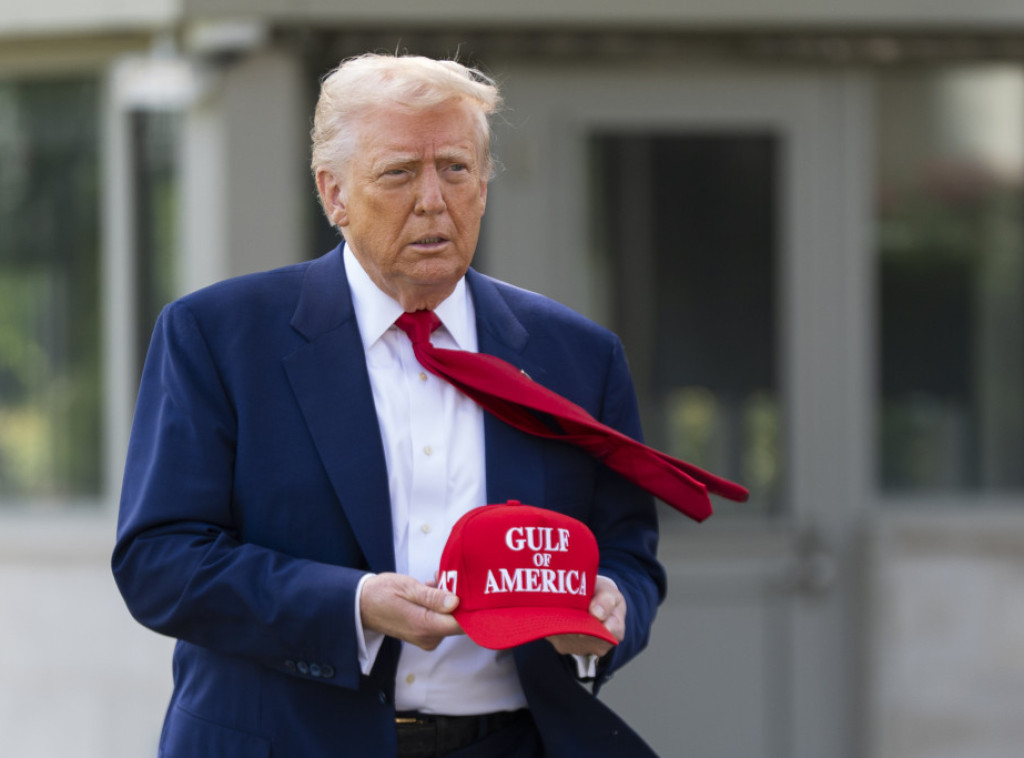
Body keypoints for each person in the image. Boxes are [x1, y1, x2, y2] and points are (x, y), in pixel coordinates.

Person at [112, 52, 666, 757]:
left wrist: (609, 610)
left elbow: (628, 554)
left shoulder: (577, 356)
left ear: (484, 186)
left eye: (456, 168)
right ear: (334, 194)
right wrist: (353, 606)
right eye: (400, 172)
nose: (433, 199)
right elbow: (159, 560)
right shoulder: (219, 336)